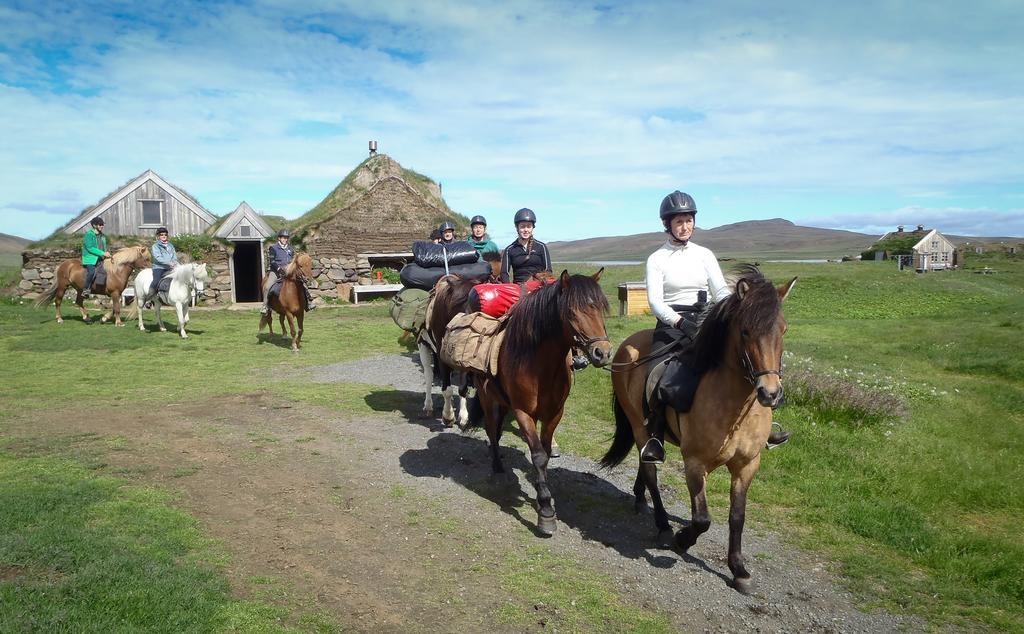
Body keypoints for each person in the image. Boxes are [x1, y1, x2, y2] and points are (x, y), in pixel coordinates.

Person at [640, 191, 789, 463]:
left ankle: (763, 428)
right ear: (667, 224)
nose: (684, 226)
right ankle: (655, 436)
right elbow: (655, 302)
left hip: (707, 318)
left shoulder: (704, 254)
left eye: (688, 220)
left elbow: (719, 290)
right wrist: (680, 322)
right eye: (678, 222)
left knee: (753, 359)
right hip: (672, 323)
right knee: (657, 377)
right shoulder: (657, 259)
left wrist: (731, 311)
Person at [261, 229, 314, 314]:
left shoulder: (290, 249)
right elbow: (272, 261)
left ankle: (308, 303)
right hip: (276, 271)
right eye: (283, 238)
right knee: (267, 287)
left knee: (302, 282)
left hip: (289, 271)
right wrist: (279, 269)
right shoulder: (273, 248)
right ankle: (265, 306)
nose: (285, 239)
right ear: (279, 238)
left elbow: (293, 260)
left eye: (286, 238)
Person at [500, 208, 552, 283]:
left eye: (529, 226)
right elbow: (504, 273)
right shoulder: (509, 250)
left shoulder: (541, 247)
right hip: (518, 288)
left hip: (538, 288)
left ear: (532, 228)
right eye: (522, 226)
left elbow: (548, 270)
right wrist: (510, 288)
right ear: (517, 228)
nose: (526, 230)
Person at [145, 227, 178, 306]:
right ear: (158, 236)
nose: (164, 236)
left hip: (170, 268)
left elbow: (174, 257)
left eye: (165, 235)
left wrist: (177, 264)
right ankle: (148, 299)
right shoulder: (155, 246)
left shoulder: (171, 246)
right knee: (156, 281)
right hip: (159, 268)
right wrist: (169, 263)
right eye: (161, 235)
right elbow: (158, 258)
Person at [81, 216, 111, 298]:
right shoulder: (89, 235)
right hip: (90, 259)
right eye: (100, 224)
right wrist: (103, 253)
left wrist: (107, 253)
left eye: (103, 224)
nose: (102, 226)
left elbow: (104, 247)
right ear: (94, 225)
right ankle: (85, 290)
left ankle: (104, 289)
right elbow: (90, 248)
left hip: (100, 258)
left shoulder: (103, 236)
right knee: (91, 272)